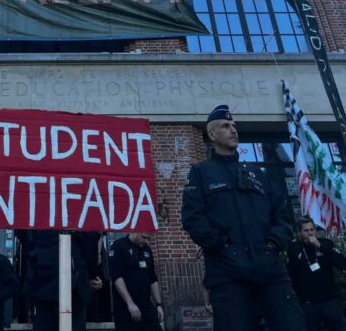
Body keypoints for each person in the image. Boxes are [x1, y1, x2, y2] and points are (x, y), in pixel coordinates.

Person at [181, 104, 306, 331]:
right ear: (212, 134)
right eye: (226, 126)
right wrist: (224, 245)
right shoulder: (200, 173)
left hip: (270, 270)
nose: (233, 130)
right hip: (227, 274)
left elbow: (282, 215)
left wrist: (271, 245)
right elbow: (193, 219)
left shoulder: (258, 173)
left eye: (234, 126)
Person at [20, 229, 100, 331]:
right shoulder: (75, 215)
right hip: (72, 280)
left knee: (44, 320)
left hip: (42, 277)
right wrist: (91, 274)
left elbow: (25, 238)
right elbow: (90, 239)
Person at [287, 216, 346, 331]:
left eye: (311, 230)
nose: (309, 233)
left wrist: (320, 246)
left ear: (315, 230)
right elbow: (291, 275)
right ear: (299, 232)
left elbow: (342, 263)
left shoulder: (326, 244)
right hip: (309, 304)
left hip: (330, 300)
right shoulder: (294, 249)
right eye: (306, 230)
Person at [108, 232, 163, 330]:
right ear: (136, 231)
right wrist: (130, 303)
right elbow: (117, 277)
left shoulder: (146, 249)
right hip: (125, 308)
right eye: (144, 237)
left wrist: (159, 304)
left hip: (146, 306)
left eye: (148, 239)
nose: (146, 241)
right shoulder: (119, 246)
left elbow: (152, 278)